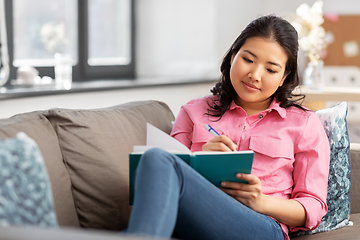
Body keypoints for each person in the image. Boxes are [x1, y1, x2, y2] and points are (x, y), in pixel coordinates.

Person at [126, 15, 330, 240]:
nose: (255, 75)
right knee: (157, 159)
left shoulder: (304, 123)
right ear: (233, 56)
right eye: (248, 60)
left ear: (284, 77)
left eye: (271, 70)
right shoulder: (193, 112)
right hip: (194, 217)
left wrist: (262, 202)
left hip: (261, 225)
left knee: (158, 158)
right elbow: (163, 185)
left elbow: (313, 207)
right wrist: (200, 160)